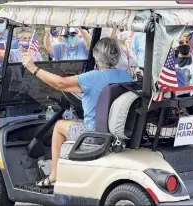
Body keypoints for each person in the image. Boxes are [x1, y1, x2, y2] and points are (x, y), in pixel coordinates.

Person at [22, 37, 132, 187]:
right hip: (114, 130)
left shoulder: (92, 77)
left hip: (94, 134)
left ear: (96, 58)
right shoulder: (125, 76)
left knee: (60, 126)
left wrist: (33, 68)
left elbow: (60, 83)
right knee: (72, 121)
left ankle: (54, 174)